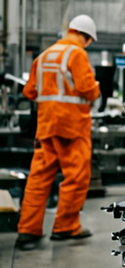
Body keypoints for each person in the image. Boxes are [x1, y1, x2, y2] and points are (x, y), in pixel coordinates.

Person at [15, 15, 101, 250]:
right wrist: (97, 88)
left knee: (38, 179)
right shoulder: (76, 54)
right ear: (84, 36)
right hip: (72, 128)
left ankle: (27, 231)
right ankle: (65, 227)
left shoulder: (44, 56)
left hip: (46, 128)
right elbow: (88, 89)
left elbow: (29, 91)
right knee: (76, 177)